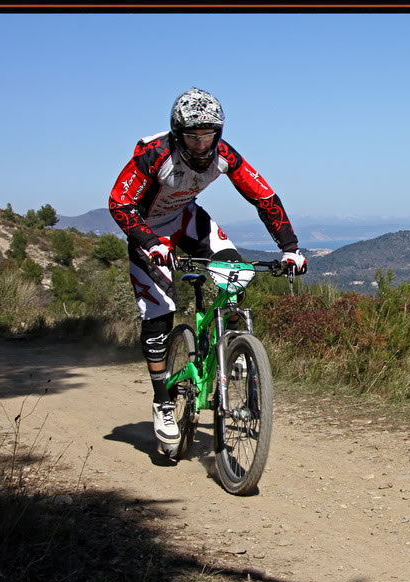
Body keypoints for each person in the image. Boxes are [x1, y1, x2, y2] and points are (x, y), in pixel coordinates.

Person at [108, 87, 307, 450]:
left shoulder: (226, 155)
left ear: (219, 133)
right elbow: (119, 204)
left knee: (237, 273)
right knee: (158, 313)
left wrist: (290, 248)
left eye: (209, 136)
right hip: (149, 232)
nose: (201, 146)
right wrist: (150, 242)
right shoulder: (153, 154)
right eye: (192, 137)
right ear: (176, 134)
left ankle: (235, 352)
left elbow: (264, 198)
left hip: (187, 219)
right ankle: (163, 402)